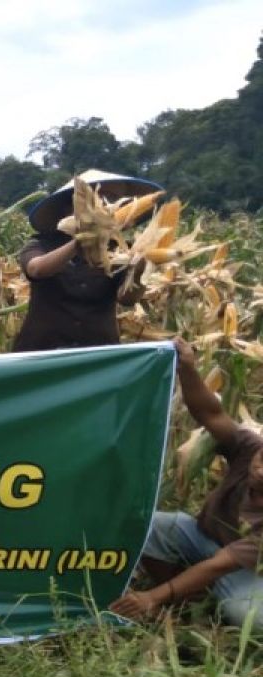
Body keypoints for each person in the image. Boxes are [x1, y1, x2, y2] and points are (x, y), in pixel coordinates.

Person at [111, 338, 262, 631]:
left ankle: (181, 597)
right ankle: (185, 601)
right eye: (261, 459)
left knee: (250, 617)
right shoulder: (247, 448)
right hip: (203, 537)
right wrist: (188, 370)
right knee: (146, 527)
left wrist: (151, 597)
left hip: (245, 569)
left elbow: (221, 564)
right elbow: (210, 413)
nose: (260, 469)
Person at [13, 169, 163, 352]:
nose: (108, 206)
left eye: (114, 199)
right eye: (99, 198)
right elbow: (37, 269)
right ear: (71, 206)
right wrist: (80, 242)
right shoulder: (42, 243)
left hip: (97, 355)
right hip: (42, 351)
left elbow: (127, 299)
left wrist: (140, 268)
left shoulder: (123, 251)